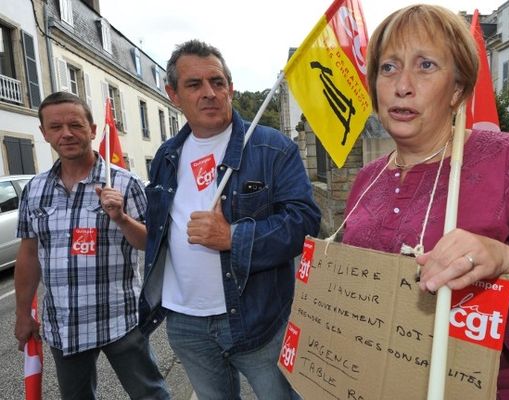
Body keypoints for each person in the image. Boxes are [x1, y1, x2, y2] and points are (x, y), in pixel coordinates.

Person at [342, 5, 509, 399]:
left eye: (425, 65)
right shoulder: (366, 178)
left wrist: (508, 261)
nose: (402, 85)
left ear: (459, 88)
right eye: (389, 67)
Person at [138, 40, 320, 399]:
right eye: (194, 85)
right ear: (173, 94)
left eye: (217, 82)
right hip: (185, 323)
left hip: (257, 319)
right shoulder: (166, 156)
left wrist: (233, 237)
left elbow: (304, 222)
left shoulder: (271, 148)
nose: (209, 93)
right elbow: (160, 231)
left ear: (230, 89)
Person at [14, 92, 170, 400]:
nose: (66, 133)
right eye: (55, 127)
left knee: (150, 395)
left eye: (75, 124)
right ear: (44, 133)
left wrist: (122, 218)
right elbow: (29, 254)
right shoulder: (34, 189)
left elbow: (151, 245)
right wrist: (22, 313)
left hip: (120, 319)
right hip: (64, 324)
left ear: (93, 129)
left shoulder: (126, 184)